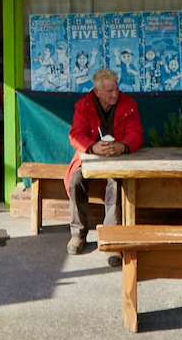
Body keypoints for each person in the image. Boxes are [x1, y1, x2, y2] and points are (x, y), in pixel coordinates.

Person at [64, 68, 144, 266]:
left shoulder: (129, 105)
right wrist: (92, 146)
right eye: (109, 91)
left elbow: (136, 134)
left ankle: (112, 239)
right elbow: (76, 134)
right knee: (76, 181)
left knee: (115, 183)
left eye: (115, 89)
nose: (114, 94)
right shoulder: (83, 106)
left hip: (117, 159)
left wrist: (123, 146)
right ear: (97, 92)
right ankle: (78, 234)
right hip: (90, 157)